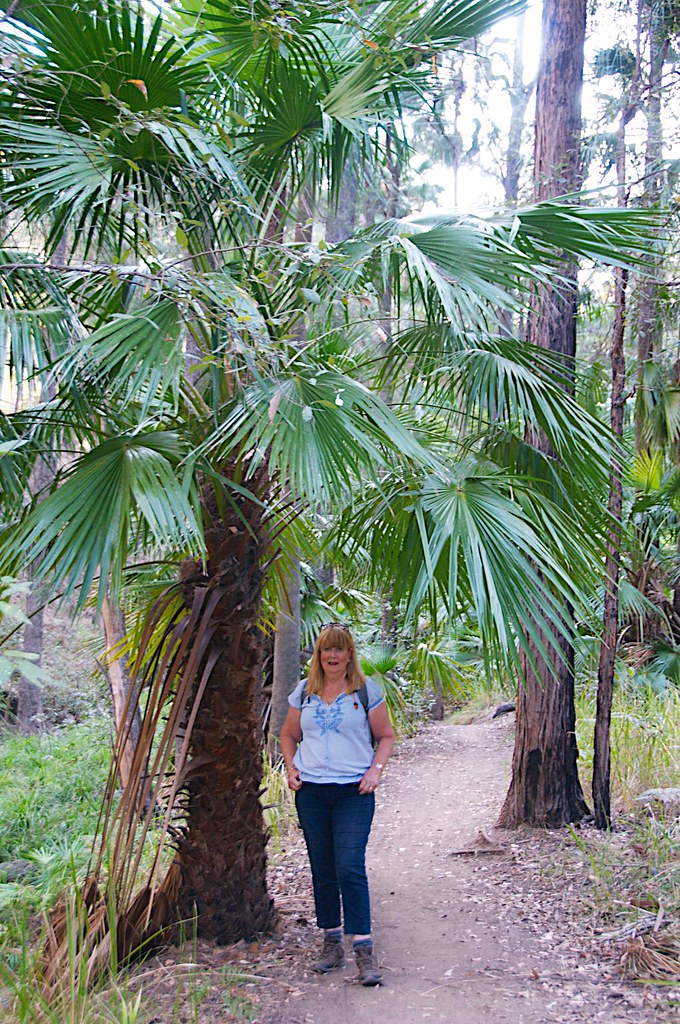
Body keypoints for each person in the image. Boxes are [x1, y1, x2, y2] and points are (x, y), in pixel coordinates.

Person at [279, 622, 395, 986]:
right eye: (326, 650)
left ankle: (363, 947)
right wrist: (290, 767)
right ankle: (331, 941)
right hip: (312, 792)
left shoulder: (364, 691)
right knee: (322, 868)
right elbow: (288, 734)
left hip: (353, 792)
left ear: (349, 655)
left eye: (339, 649)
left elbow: (386, 736)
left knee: (349, 866)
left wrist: (375, 771)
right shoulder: (304, 693)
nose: (332, 655)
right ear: (319, 655)